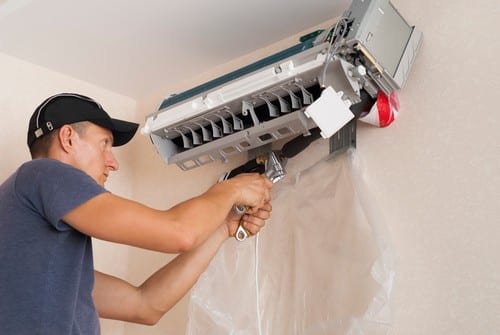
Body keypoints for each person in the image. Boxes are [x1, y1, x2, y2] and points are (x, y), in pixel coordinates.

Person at [0, 93, 274, 334]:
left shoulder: (44, 269)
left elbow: (146, 306)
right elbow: (178, 232)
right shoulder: (43, 173)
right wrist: (230, 190)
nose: (113, 163)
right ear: (68, 138)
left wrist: (222, 228)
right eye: (104, 143)